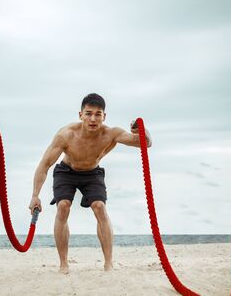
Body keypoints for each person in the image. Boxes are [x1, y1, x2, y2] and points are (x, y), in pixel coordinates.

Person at [28, 93, 152, 274]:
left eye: (97, 114)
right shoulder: (66, 134)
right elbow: (45, 165)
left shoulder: (111, 134)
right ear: (80, 115)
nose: (93, 118)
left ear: (104, 116)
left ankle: (108, 263)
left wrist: (142, 131)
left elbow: (145, 143)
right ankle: (64, 264)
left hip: (92, 173)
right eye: (88, 113)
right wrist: (35, 195)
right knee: (63, 206)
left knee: (99, 207)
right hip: (66, 172)